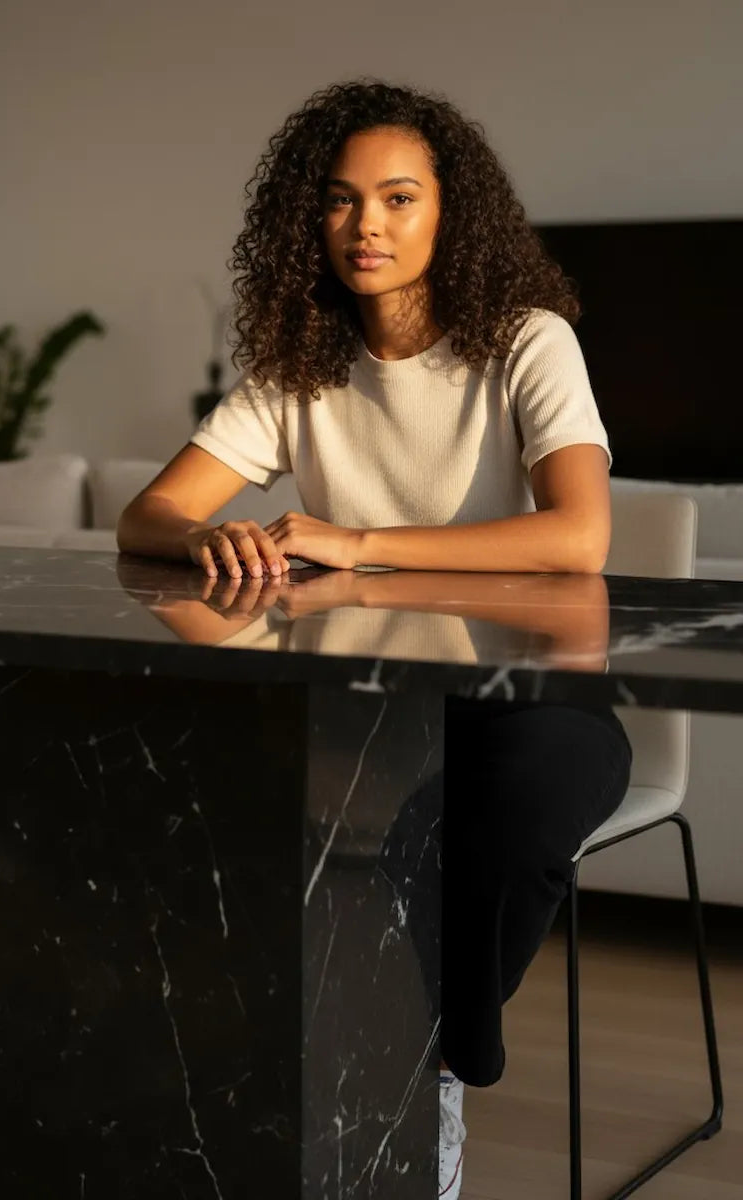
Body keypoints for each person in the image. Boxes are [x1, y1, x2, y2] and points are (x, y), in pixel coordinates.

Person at [116, 78, 633, 1198]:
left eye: (399, 198)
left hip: (535, 703)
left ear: (453, 212)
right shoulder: (297, 363)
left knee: (517, 789)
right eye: (343, 202)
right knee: (181, 778)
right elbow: (146, 517)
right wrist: (213, 542)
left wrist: (358, 545)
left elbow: (578, 538)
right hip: (367, 709)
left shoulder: (526, 343)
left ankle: (441, 1067)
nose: (369, 226)